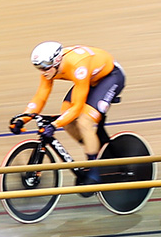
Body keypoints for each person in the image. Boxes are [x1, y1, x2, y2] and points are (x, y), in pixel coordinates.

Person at [10, 41, 125, 183]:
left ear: (57, 61)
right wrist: (23, 119)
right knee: (66, 116)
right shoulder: (49, 69)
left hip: (111, 77)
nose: (42, 72)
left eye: (44, 67)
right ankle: (94, 147)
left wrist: (54, 125)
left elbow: (77, 107)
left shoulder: (77, 66)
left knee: (84, 122)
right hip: (89, 80)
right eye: (38, 68)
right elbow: (40, 96)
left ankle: (94, 169)